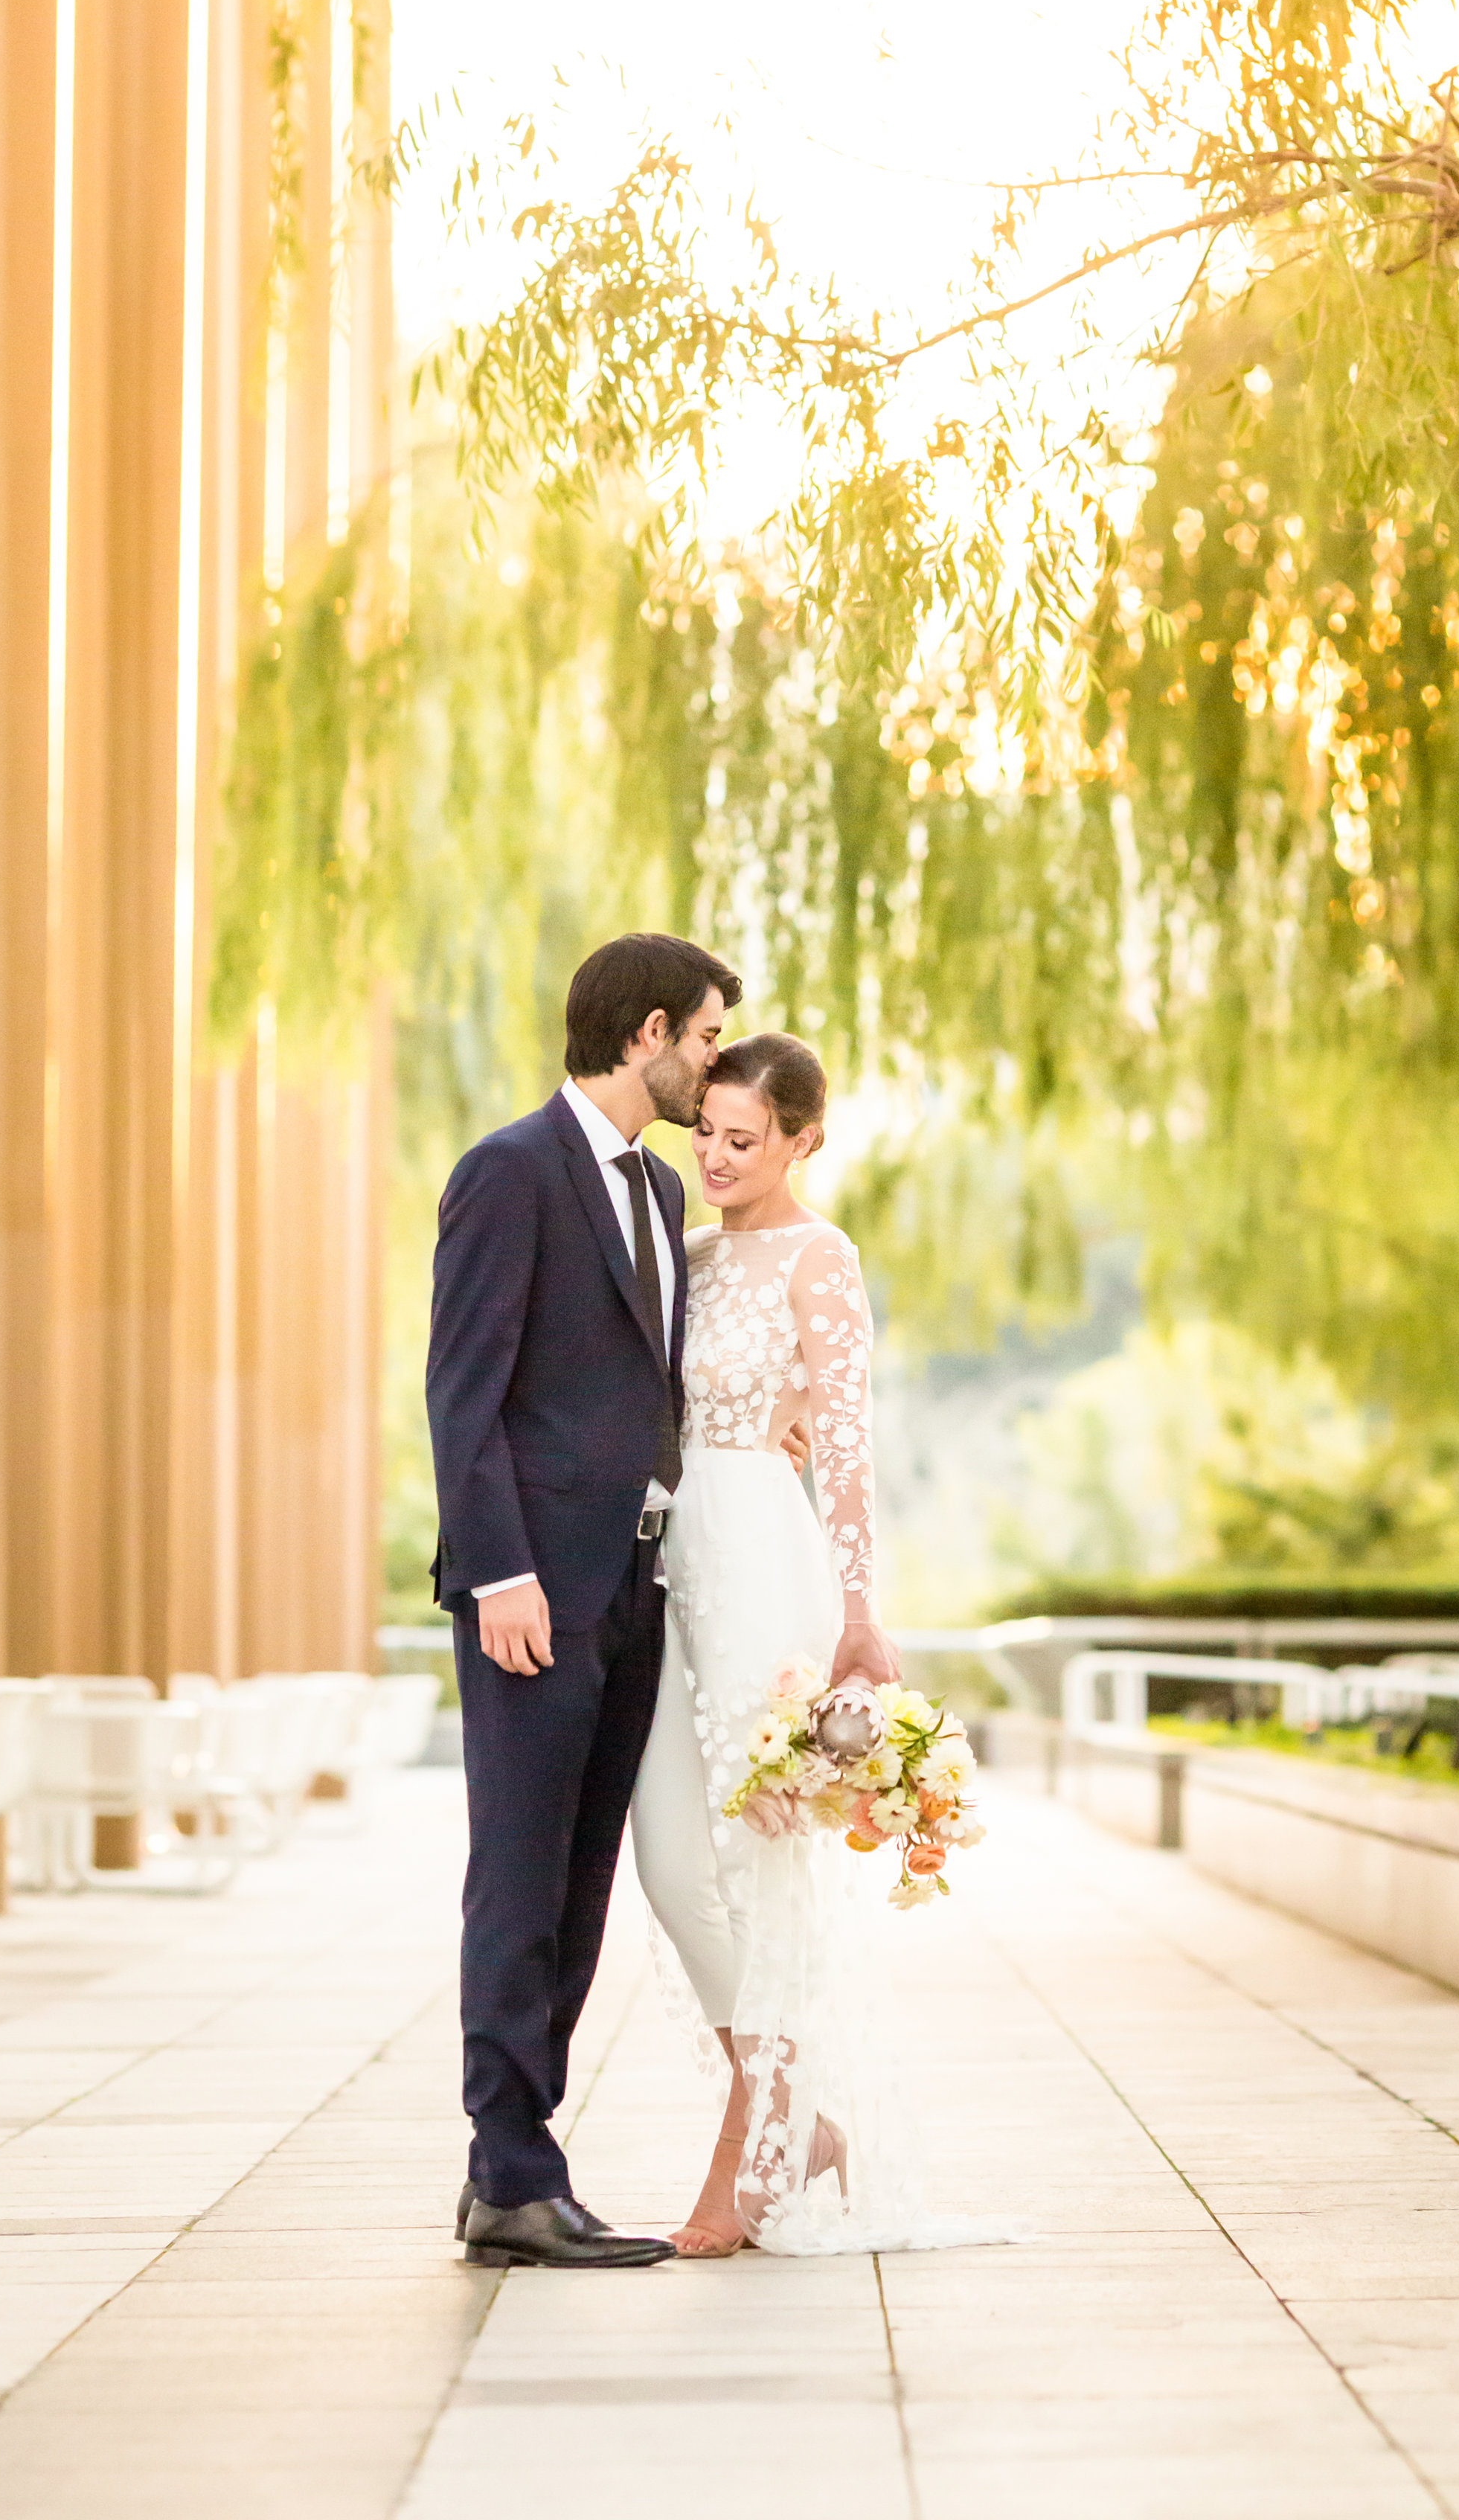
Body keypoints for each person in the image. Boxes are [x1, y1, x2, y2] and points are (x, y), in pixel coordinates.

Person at [629, 1031, 1017, 2257]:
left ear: (803, 1140)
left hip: (763, 1563)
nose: (720, 1158)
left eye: (746, 1140)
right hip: (667, 1561)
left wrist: (861, 1615)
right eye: (708, 1135)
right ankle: (802, 2118)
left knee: (761, 1855)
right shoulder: (682, 1257)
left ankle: (758, 2139)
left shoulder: (822, 1257)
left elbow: (844, 1449)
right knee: (668, 1854)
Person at [426, 932, 740, 2270]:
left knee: (583, 1885)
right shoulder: (508, 1173)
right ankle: (509, 2168)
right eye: (711, 1040)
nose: (715, 1067)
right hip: (532, 1595)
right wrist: (498, 1571)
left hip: (634, 1589)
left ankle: (519, 2168)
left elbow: (644, 1390)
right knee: (518, 1879)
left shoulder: (662, 1197)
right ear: (650, 1030)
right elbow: (464, 1392)